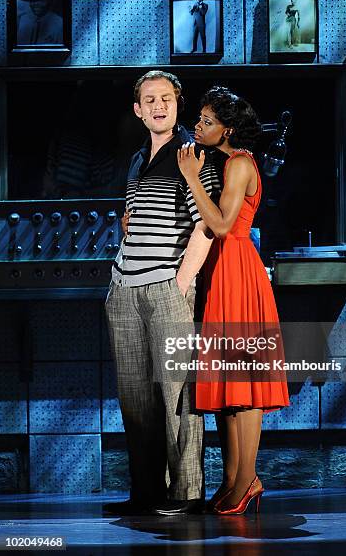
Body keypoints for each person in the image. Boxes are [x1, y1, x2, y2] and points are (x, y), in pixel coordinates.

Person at [104, 71, 221, 516]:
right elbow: (133, 217)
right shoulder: (136, 160)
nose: (158, 105)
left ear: (178, 105)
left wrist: (180, 285)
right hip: (124, 288)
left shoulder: (191, 154)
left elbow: (205, 227)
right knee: (135, 400)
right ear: (138, 110)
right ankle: (147, 490)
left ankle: (186, 493)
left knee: (177, 395)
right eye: (149, 100)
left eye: (166, 98)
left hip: (166, 288)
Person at [177, 86, 290, 515]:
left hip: (238, 270)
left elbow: (223, 224)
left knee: (246, 381)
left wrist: (190, 176)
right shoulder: (230, 163)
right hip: (222, 272)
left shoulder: (240, 163)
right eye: (200, 119)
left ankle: (247, 481)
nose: (199, 127)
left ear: (227, 128)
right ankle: (233, 481)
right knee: (227, 383)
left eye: (207, 121)